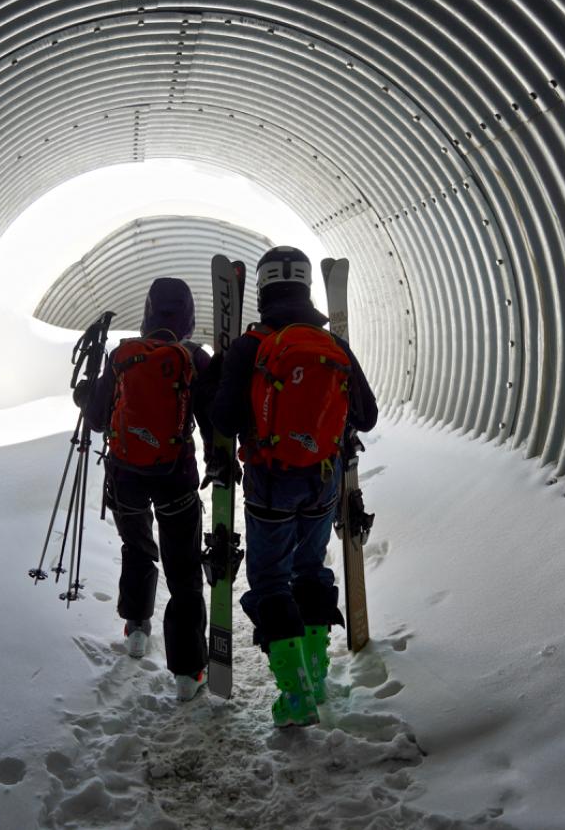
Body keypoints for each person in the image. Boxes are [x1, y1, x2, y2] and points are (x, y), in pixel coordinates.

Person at [210, 246, 378, 726]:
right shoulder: (333, 347)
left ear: (261, 289)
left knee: (269, 581)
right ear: (306, 287)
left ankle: (295, 694)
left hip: (269, 483)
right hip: (322, 482)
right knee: (310, 571)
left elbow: (225, 417)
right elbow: (366, 416)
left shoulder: (249, 346)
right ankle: (318, 675)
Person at [75, 277, 213, 701]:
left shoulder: (122, 356)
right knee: (184, 568)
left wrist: (85, 392)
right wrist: (218, 462)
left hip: (125, 479)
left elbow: (98, 418)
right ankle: (188, 673)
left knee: (137, 549)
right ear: (188, 318)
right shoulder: (194, 358)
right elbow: (213, 421)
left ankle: (137, 629)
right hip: (176, 480)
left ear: (147, 314)